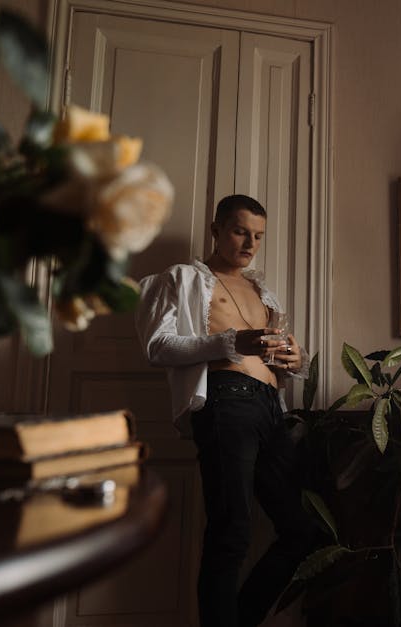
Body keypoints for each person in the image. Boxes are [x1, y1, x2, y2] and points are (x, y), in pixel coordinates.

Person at [136, 194, 322, 627]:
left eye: (258, 236)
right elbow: (156, 346)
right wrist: (231, 342)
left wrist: (296, 361)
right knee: (231, 531)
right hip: (226, 401)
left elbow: (278, 357)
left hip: (270, 409)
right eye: (240, 232)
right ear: (216, 230)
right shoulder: (183, 279)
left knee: (302, 531)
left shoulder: (262, 291)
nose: (250, 243)